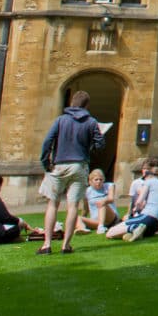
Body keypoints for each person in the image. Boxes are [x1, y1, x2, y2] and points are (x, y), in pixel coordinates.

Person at [37, 90, 104, 255]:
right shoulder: (91, 122)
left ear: (72, 102)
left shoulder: (61, 120)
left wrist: (46, 163)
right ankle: (66, 245)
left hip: (59, 164)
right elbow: (100, 144)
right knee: (73, 205)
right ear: (86, 105)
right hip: (79, 165)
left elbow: (47, 142)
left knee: (53, 203)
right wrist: (90, 147)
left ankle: (47, 244)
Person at [107, 164, 158, 242]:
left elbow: (139, 201)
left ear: (148, 175)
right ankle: (134, 231)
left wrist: (135, 210)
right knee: (124, 233)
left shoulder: (149, 182)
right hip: (155, 224)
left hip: (146, 216)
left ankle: (134, 227)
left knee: (110, 232)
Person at [75, 169, 119, 234]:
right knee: (76, 217)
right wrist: (82, 219)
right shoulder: (87, 191)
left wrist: (104, 200)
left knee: (102, 203)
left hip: (111, 218)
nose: (98, 182)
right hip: (96, 220)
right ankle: (82, 228)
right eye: (96, 180)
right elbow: (85, 209)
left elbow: (111, 198)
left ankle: (101, 227)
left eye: (101, 179)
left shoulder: (109, 186)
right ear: (90, 181)